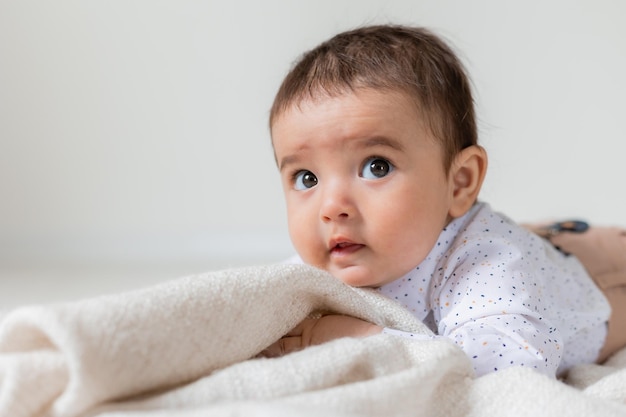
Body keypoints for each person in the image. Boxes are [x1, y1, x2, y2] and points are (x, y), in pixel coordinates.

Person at [264, 24, 625, 377]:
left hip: (598, 282)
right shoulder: (323, 259)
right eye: (306, 178)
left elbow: (510, 363)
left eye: (377, 167)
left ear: (459, 183)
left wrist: (366, 340)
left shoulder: (487, 261)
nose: (331, 208)